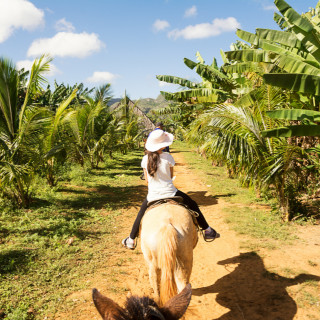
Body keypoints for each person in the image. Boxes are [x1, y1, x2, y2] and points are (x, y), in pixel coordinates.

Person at [122, 129, 220, 249]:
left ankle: (131, 240)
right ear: (163, 145)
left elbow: (147, 181)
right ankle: (208, 230)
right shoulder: (168, 157)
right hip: (171, 192)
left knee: (140, 214)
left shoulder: (145, 159)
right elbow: (170, 177)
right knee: (193, 204)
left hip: (153, 195)